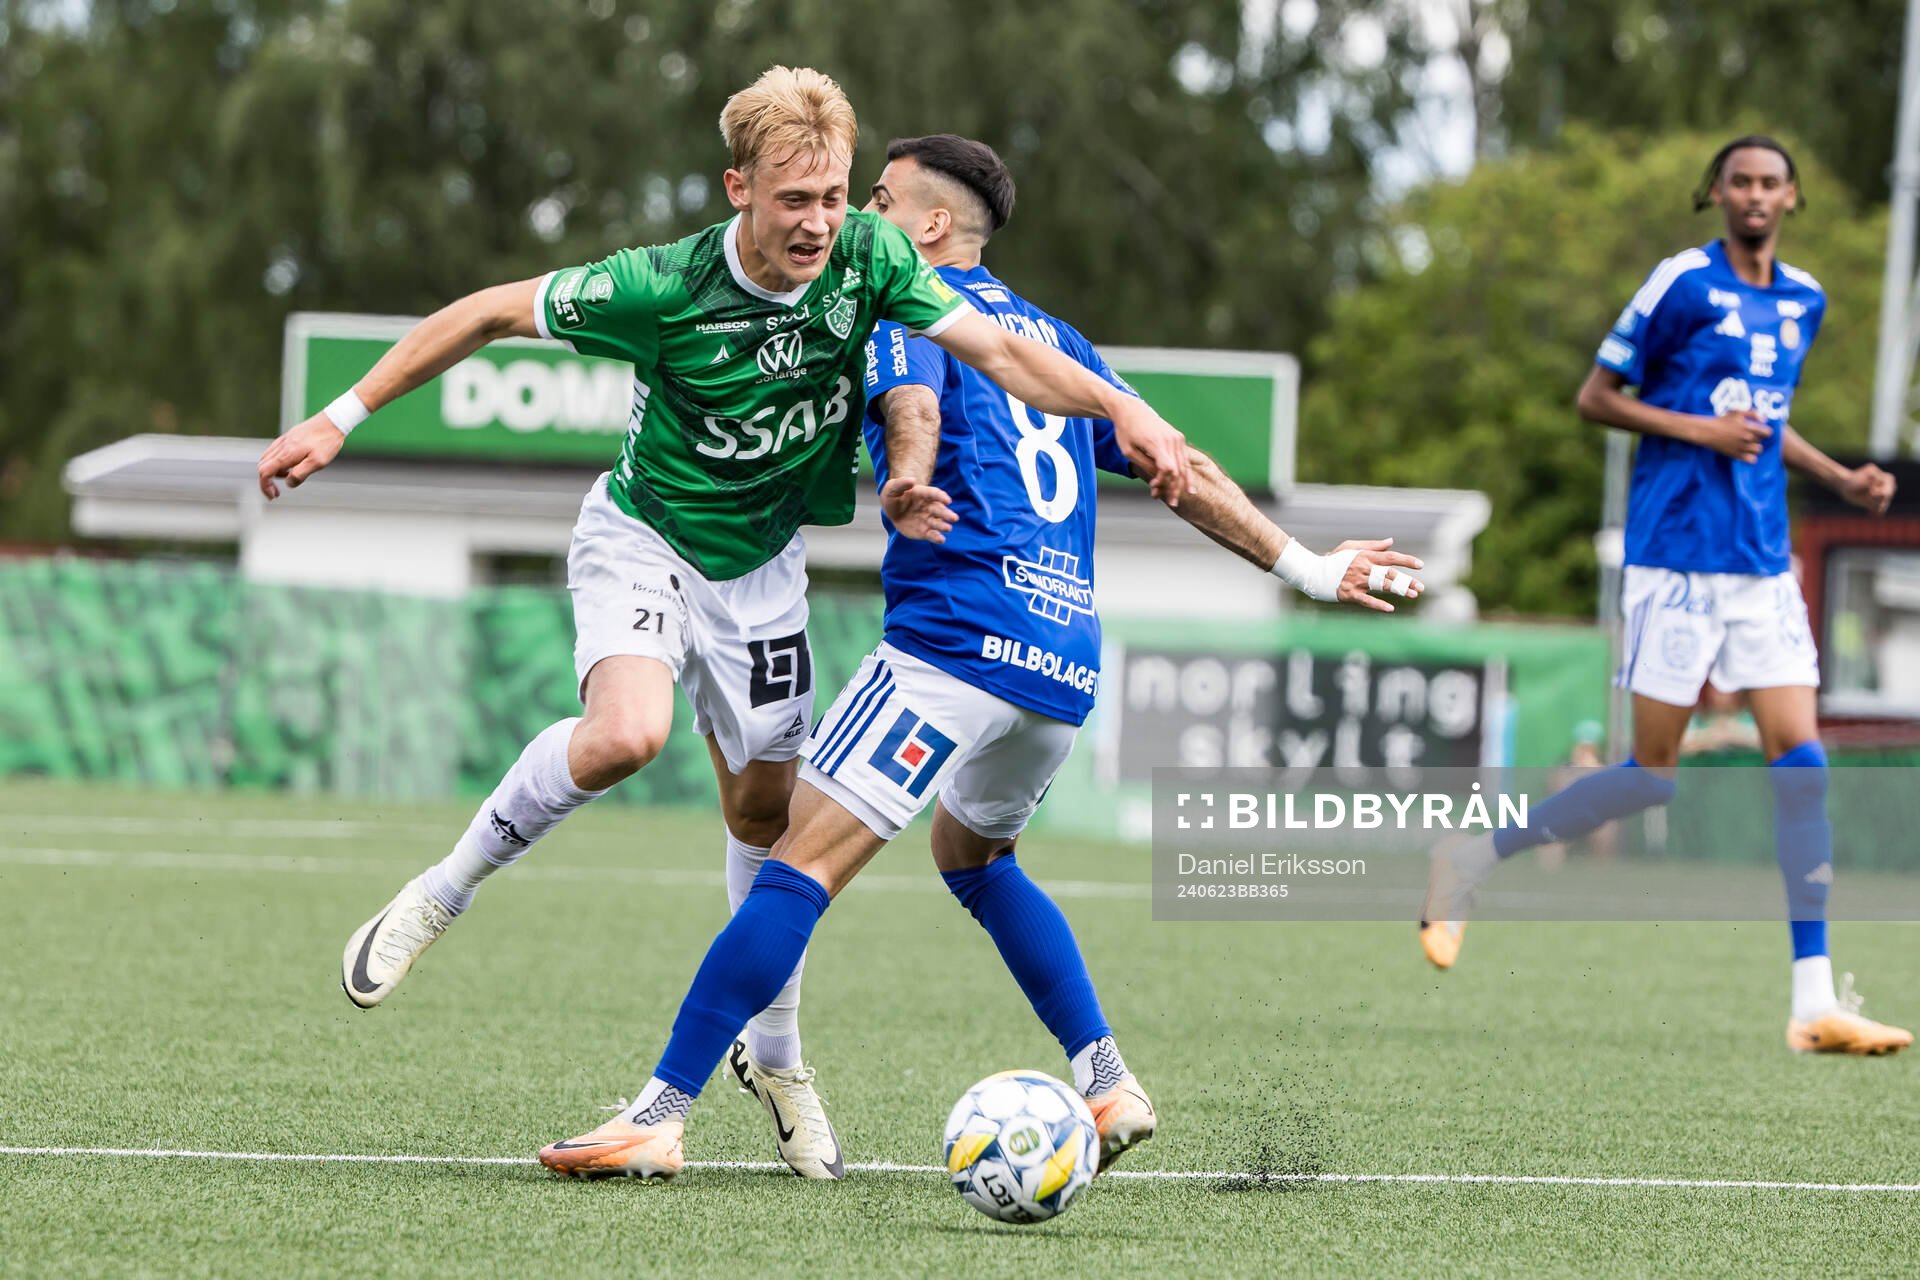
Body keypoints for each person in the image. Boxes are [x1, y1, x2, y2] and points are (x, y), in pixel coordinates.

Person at [254, 68, 1194, 1180]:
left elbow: (1000, 352)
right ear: (738, 187)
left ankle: (778, 1059)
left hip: (764, 575)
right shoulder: (660, 285)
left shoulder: (872, 259)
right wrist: (340, 416)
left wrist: (1121, 403)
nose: (819, 223)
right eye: (794, 199)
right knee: (625, 735)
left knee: (767, 817)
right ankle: (439, 893)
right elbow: (488, 312)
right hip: (644, 536)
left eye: (837, 197)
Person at [535, 134, 1423, 1181]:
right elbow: (1178, 463)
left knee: (794, 867)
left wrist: (906, 477)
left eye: (877, 194)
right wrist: (1310, 569)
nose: (855, 212)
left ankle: (659, 1111)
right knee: (974, 856)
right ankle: (1105, 1077)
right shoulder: (1060, 341)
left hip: (954, 642)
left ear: (933, 225)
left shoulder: (903, 306)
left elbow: (910, 398)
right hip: (1063, 662)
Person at [1420, 135, 1910, 1057]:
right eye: (1741, 182)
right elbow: (1596, 397)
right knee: (1651, 773)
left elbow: (1767, 422)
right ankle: (1472, 858)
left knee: (1801, 758)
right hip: (1676, 555)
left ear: (1793, 197)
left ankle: (1812, 1002)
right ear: (1717, 193)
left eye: (1771, 183)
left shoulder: (1805, 298)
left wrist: (1841, 478)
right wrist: (1696, 429)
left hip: (1761, 563)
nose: (1756, 195)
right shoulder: (1680, 283)